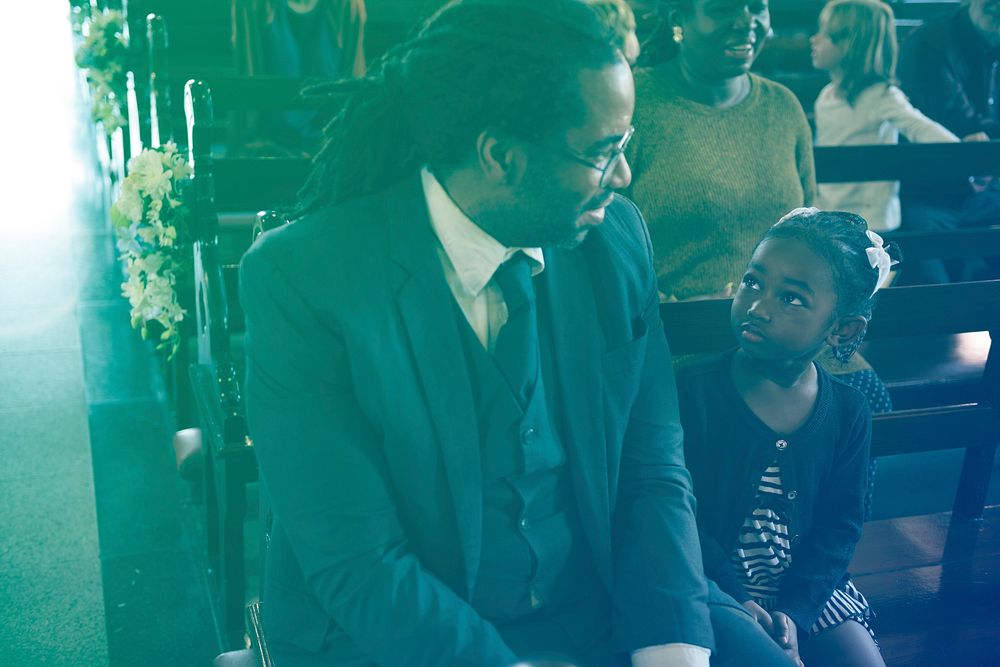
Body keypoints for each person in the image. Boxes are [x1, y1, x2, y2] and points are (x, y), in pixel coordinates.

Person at [240, 1, 792, 665]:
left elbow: (653, 466)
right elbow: (356, 560)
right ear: (501, 156)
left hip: (603, 589)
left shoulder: (615, 238)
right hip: (405, 625)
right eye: (602, 151)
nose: (622, 175)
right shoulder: (304, 276)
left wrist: (670, 645)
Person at [677, 208, 897, 667]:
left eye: (792, 299)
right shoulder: (691, 391)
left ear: (842, 328)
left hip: (808, 589)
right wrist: (738, 598)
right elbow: (679, 514)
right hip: (709, 582)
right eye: (753, 282)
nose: (758, 306)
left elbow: (840, 528)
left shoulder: (848, 410)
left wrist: (794, 613)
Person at [627, 0, 816, 302]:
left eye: (757, 7)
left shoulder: (783, 106)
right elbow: (597, 252)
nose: (746, 22)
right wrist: (669, 306)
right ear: (679, 20)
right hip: (677, 335)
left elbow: (809, 231)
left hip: (782, 337)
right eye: (723, 8)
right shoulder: (633, 103)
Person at [811, 0, 959, 234]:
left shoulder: (882, 96)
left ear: (851, 43)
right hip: (830, 217)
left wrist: (967, 159)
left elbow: (921, 128)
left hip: (871, 224)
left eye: (826, 34)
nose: (814, 39)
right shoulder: (826, 96)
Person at [897, 0, 1000, 283]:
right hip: (933, 192)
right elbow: (959, 124)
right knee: (938, 293)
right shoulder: (930, 43)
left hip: (989, 189)